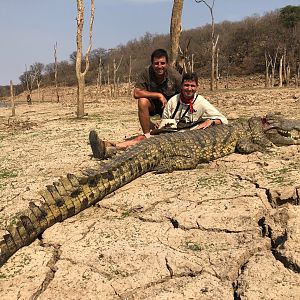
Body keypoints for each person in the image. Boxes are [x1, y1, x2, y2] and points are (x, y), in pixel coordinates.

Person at [89, 72, 227, 159]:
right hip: (172, 133)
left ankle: (112, 148)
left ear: (197, 87)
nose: (189, 89)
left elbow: (223, 119)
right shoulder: (174, 101)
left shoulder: (201, 102)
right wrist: (158, 128)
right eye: (186, 85)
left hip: (189, 136)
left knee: (145, 141)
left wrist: (211, 122)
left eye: (192, 86)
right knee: (145, 138)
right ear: (181, 86)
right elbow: (166, 123)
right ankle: (110, 146)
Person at [134, 48, 182, 137]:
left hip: (170, 108)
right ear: (152, 64)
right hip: (153, 106)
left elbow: (184, 96)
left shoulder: (175, 76)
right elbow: (136, 93)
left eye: (162, 63)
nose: (159, 66)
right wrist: (158, 95)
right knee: (142, 101)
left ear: (167, 64)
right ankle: (147, 136)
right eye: (156, 63)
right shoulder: (146, 72)